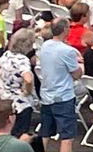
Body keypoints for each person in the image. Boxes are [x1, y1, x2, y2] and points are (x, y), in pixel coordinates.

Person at [35, 17, 84, 152]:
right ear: (64, 30)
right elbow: (76, 74)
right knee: (67, 137)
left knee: (45, 132)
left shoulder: (44, 45)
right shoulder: (67, 51)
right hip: (63, 97)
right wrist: (80, 65)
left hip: (46, 95)